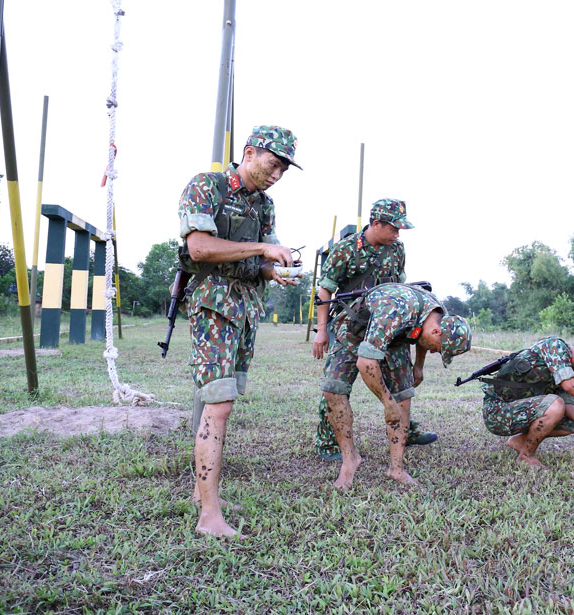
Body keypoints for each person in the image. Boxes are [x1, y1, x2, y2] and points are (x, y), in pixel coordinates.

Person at [179, 125, 301, 538]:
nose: (277, 175)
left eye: (283, 169)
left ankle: (203, 495)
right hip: (213, 303)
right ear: (249, 153)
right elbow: (200, 248)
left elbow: (260, 263)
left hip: (246, 309)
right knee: (219, 404)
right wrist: (263, 249)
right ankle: (209, 517)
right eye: (272, 164)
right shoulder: (208, 186)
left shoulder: (264, 206)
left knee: (219, 400)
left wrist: (274, 271)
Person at [311, 199, 437, 461]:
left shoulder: (397, 249)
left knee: (402, 384)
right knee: (336, 383)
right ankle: (328, 442)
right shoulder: (346, 250)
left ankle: (407, 430)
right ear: (376, 223)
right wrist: (322, 331)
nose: (397, 234)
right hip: (352, 326)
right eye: (393, 228)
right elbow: (324, 291)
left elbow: (401, 286)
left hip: (389, 326)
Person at [319, 282, 471, 489]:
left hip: (395, 339)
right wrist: (387, 403)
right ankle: (349, 460)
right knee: (333, 389)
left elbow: (422, 333)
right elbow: (366, 363)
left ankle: (396, 469)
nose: (436, 352)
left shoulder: (436, 313)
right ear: (437, 333)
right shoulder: (396, 310)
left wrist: (418, 366)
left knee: (404, 395)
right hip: (354, 331)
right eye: (439, 349)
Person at [478, 335, 574, 468]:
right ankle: (526, 456)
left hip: (515, 411)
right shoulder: (555, 346)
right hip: (497, 411)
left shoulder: (562, 372)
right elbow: (571, 385)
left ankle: (520, 441)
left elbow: (571, 410)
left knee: (573, 424)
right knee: (555, 404)